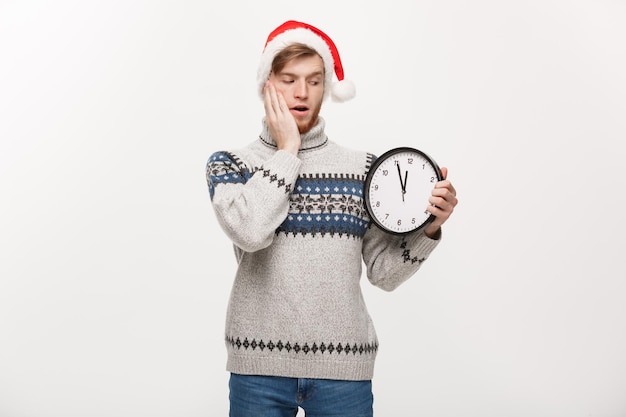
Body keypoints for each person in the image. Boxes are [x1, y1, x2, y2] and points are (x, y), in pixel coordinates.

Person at [205, 20, 458, 417]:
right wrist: (288, 150)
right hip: (258, 371)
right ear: (265, 84)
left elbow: (383, 273)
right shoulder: (232, 165)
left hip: (345, 370)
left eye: (314, 80)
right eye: (288, 79)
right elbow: (251, 232)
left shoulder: (362, 169)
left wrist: (429, 228)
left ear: (327, 87)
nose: (302, 93)